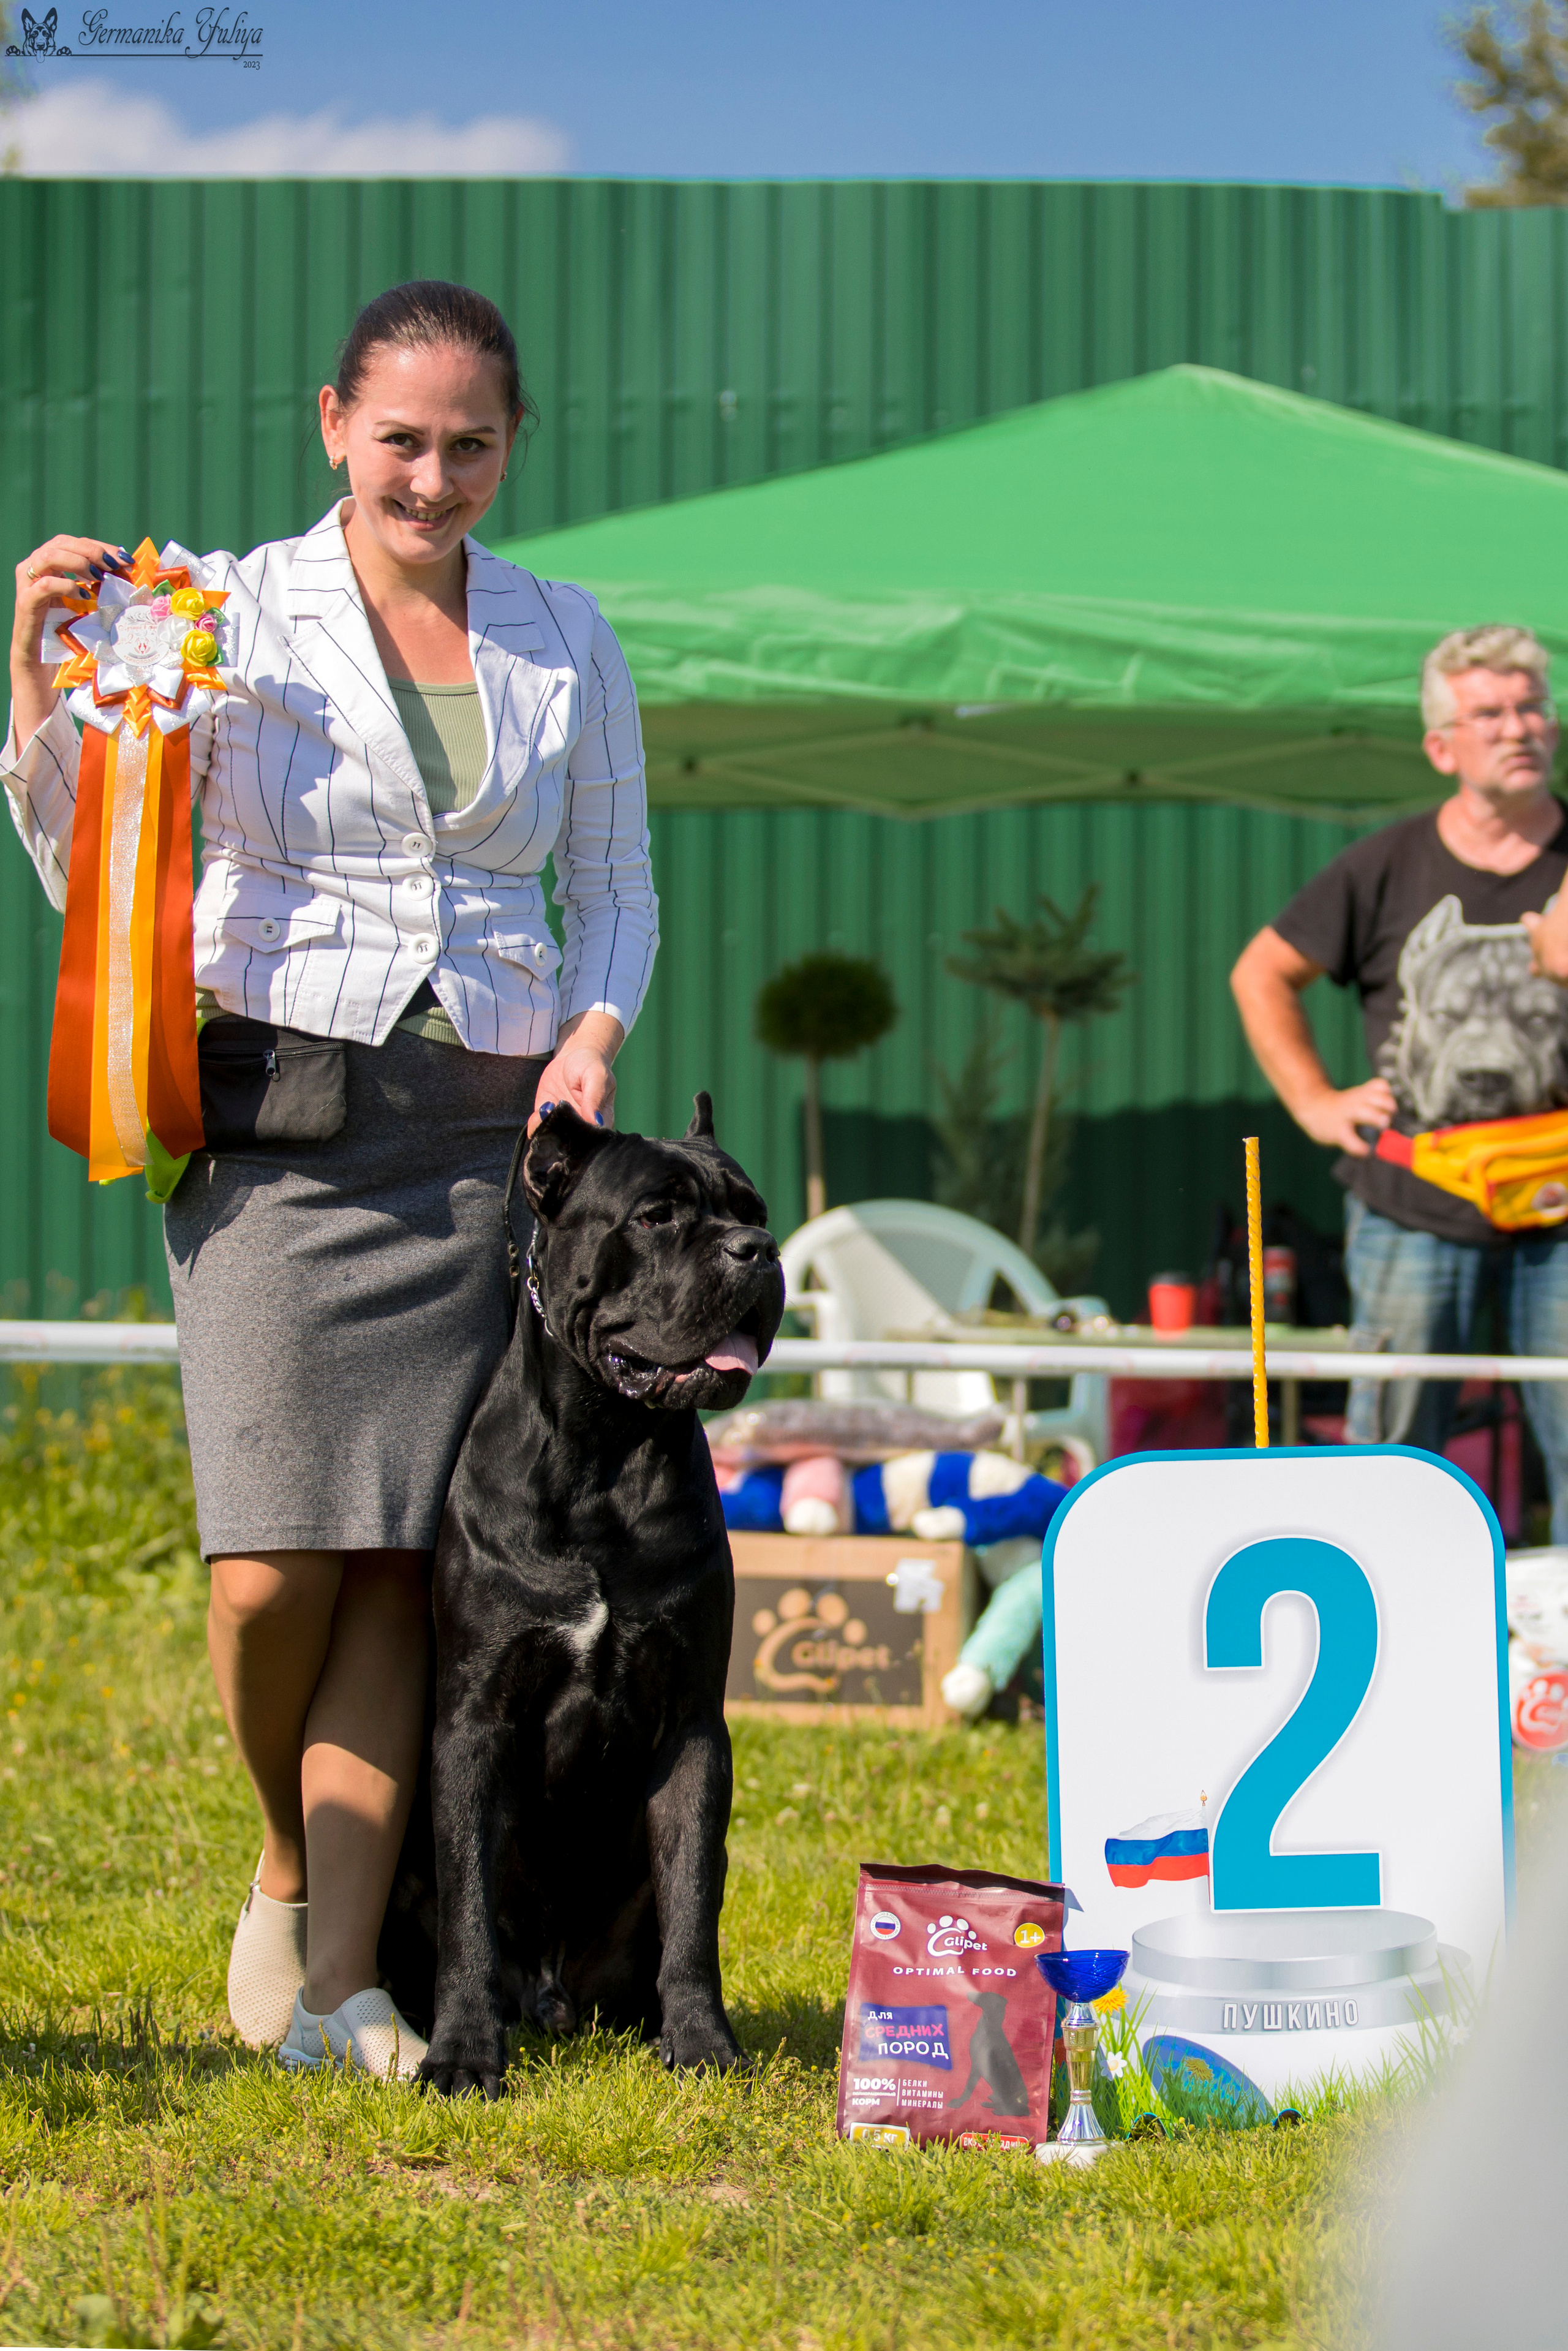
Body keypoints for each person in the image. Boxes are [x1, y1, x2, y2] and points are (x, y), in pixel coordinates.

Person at [3, 280, 658, 2078]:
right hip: (281, 1124)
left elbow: (612, 883)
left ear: (513, 443)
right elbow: (91, 873)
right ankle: (290, 1857)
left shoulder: (567, 629)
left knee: (400, 1571)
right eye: (402, 440)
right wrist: (35, 674)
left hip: (492, 1138)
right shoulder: (216, 614)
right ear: (331, 427)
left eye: (471, 444)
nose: (434, 478)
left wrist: (592, 1034)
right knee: (269, 1570)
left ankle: (350, 1977)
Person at [1231, 624, 1568, 1535]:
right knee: (1394, 1450)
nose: (1518, 727)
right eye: (1488, 712)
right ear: (1441, 746)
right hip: (1415, 1193)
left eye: (1533, 705)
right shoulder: (1385, 865)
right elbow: (1261, 972)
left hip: (1564, 1199)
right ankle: (1383, 1629)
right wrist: (1313, 1097)